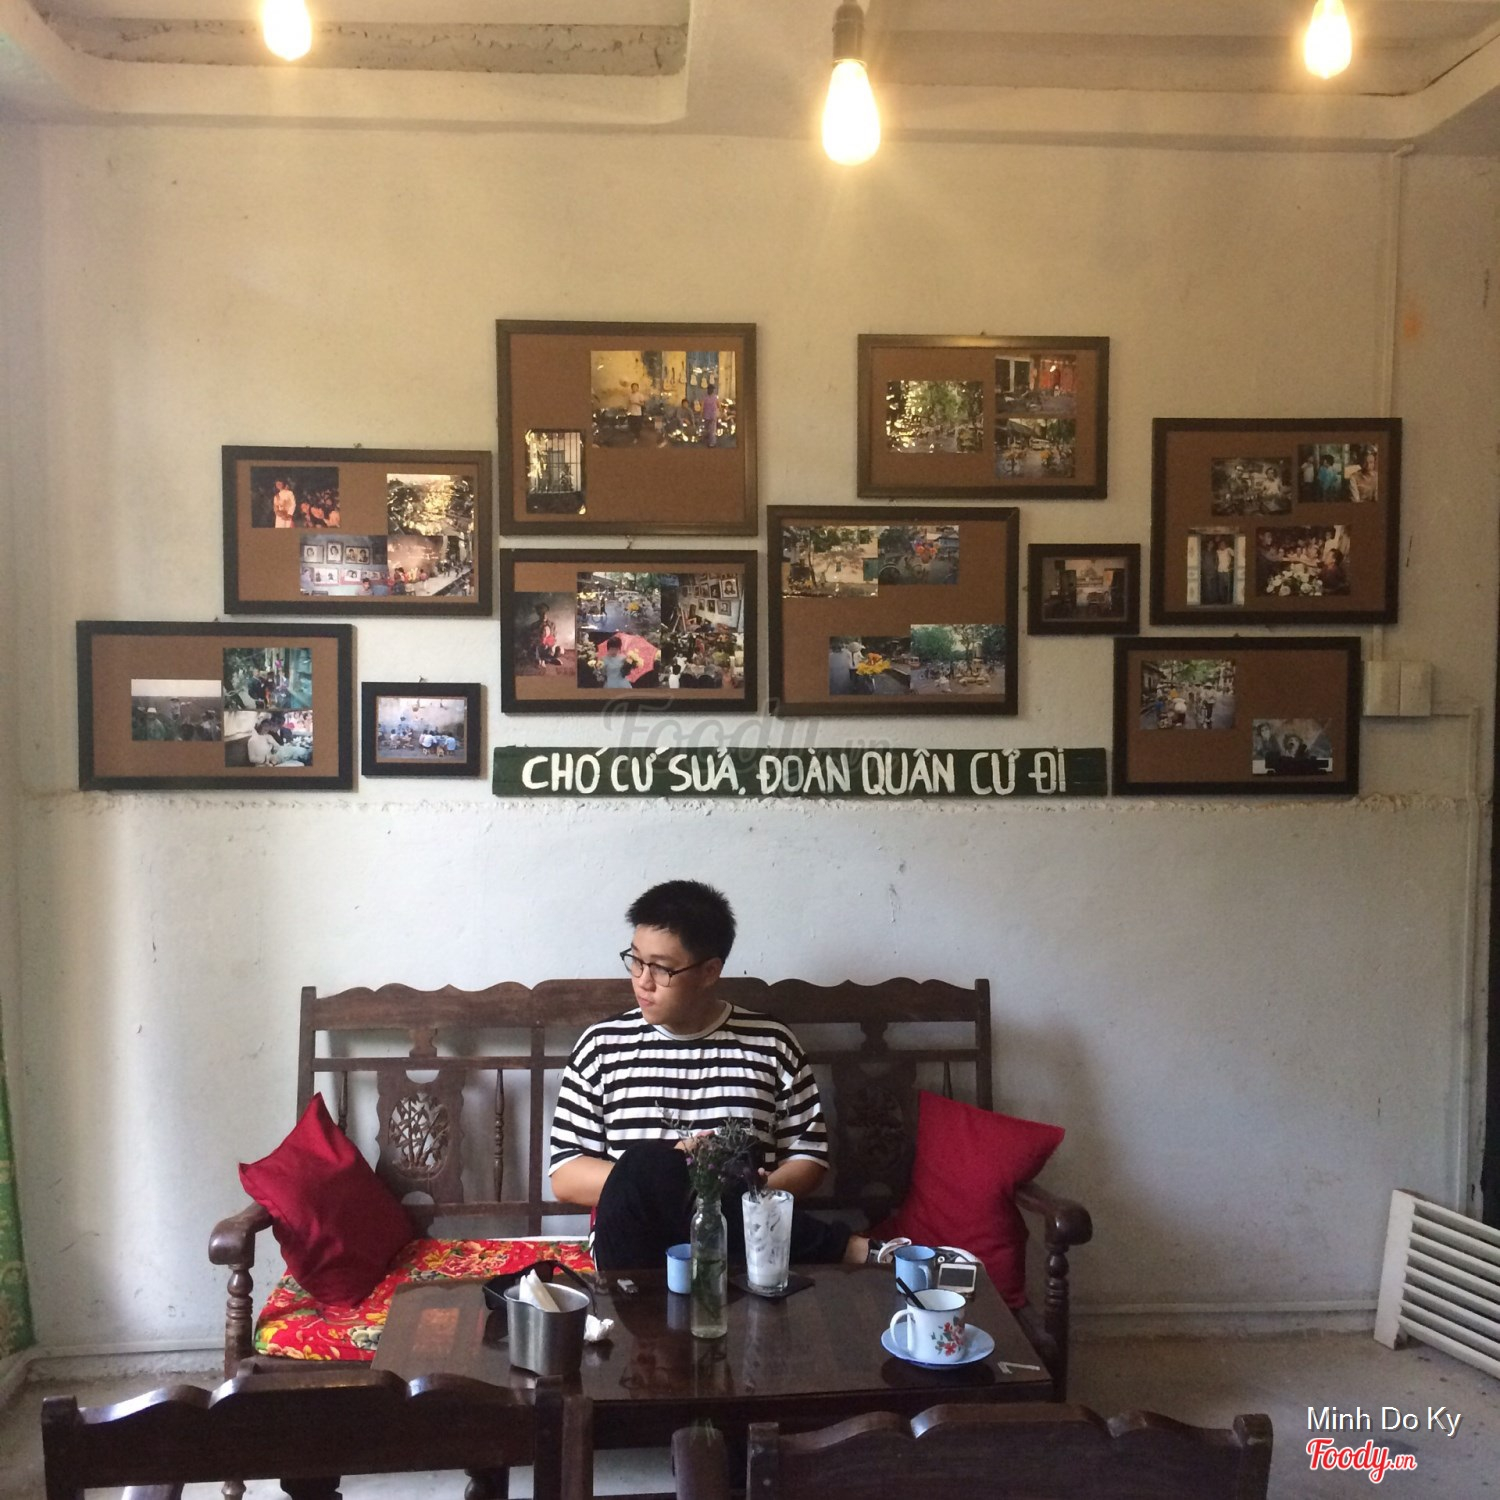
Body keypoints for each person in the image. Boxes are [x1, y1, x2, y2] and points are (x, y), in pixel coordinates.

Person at [549, 880, 897, 1272]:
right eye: (636, 961)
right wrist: (676, 1174)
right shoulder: (602, 1046)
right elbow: (565, 1175)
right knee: (646, 1166)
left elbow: (808, 1158)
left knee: (709, 1180)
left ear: (709, 971)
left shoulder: (771, 1043)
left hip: (742, 1241)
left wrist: (739, 1195)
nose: (643, 980)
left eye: (661, 968)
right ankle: (846, 1247)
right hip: (635, 1246)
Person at [701, 382, 719, 447]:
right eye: (711, 389)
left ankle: (711, 442)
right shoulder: (712, 397)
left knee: (710, 429)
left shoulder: (713, 397)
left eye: (712, 389)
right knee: (710, 429)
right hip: (709, 415)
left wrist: (701, 414)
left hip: (711, 415)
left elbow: (718, 405)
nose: (711, 391)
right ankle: (710, 442)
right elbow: (702, 406)